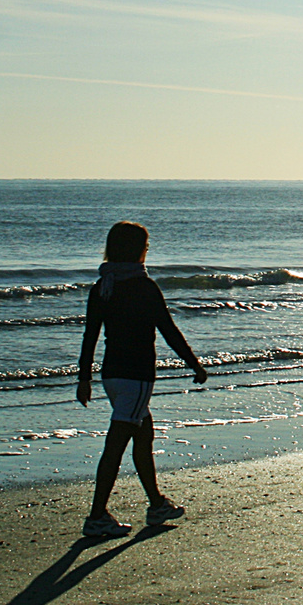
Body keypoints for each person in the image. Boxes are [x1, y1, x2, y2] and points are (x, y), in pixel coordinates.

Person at [77, 220, 209, 538]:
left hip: (112, 376)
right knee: (117, 444)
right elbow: (168, 330)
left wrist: (85, 378)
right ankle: (97, 515)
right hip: (137, 377)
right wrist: (195, 364)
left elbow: (90, 335)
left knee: (143, 436)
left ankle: (156, 503)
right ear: (137, 251)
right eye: (146, 247)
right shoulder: (143, 286)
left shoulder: (103, 286)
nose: (147, 253)